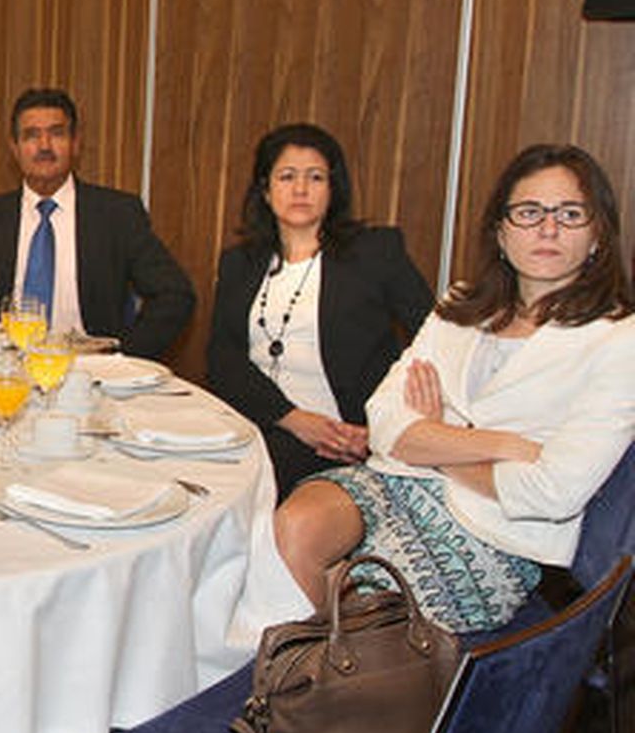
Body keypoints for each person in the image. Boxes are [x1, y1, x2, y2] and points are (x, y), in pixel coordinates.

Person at [249, 144, 635, 636]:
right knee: (293, 527)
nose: (548, 228)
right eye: (529, 212)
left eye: (571, 213)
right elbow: (384, 422)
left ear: (598, 232)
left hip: (495, 528)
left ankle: (355, 677)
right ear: (501, 230)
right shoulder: (460, 307)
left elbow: (552, 491)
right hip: (395, 481)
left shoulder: (619, 338)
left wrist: (433, 436)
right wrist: (499, 443)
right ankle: (334, 671)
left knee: (368, 601)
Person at [207, 123, 433, 497]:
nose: (300, 189)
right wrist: (293, 420)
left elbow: (431, 339)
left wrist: (385, 429)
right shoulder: (239, 262)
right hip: (263, 426)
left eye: (315, 177)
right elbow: (223, 358)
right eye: (287, 176)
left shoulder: (375, 253)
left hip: (349, 441)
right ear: (265, 190)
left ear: (333, 189)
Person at [0, 88, 195, 359]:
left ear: (76, 144)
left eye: (57, 133)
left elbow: (175, 294)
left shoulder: (117, 215)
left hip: (88, 373)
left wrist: (125, 355)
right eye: (31, 136)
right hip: (5, 372)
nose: (44, 146)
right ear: (14, 149)